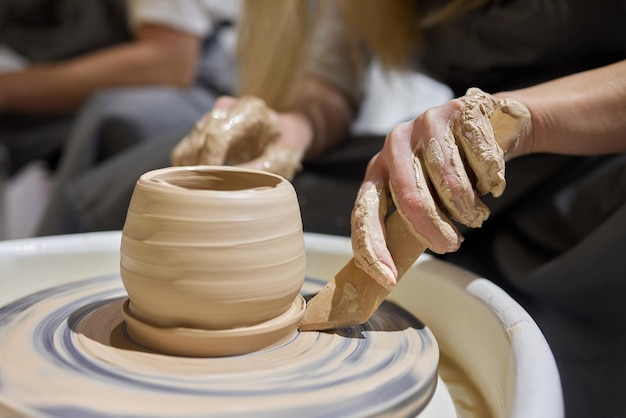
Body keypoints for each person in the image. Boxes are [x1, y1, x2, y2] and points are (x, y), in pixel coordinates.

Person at [174, 1, 625, 417]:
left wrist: (521, 121)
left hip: (596, 157)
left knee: (561, 330)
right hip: (457, 160)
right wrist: (297, 128)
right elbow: (333, 81)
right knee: (191, 182)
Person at [0, 0, 240, 236]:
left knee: (113, 120)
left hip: (202, 87)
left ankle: (62, 251)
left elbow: (168, 64)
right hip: (80, 77)